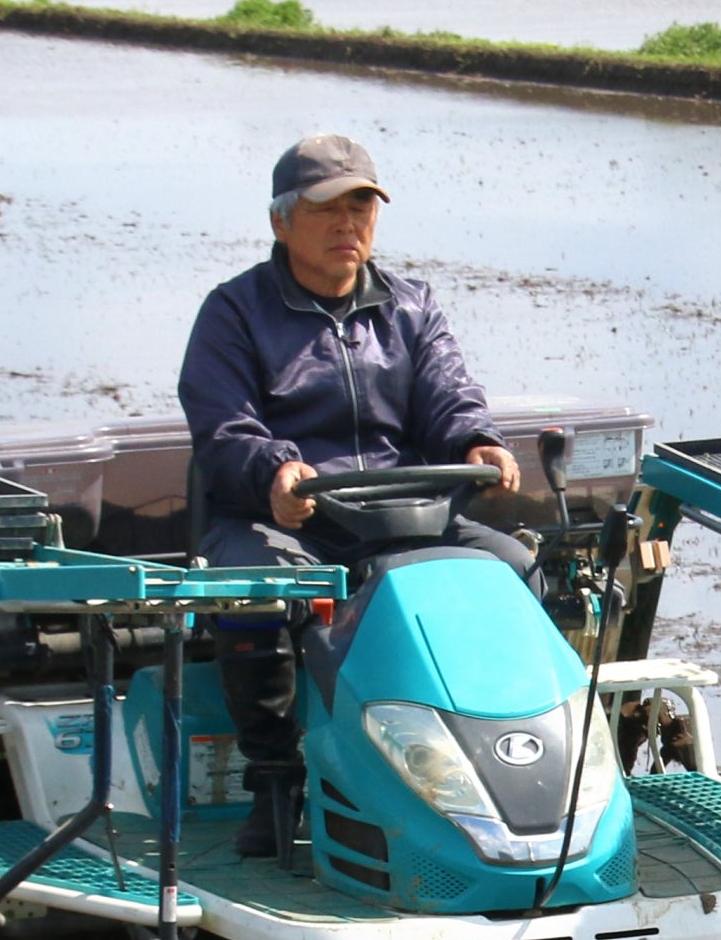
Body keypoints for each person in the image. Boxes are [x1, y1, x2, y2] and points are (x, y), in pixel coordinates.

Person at [179, 134, 530, 857]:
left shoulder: (412, 308)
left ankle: (502, 767)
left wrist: (476, 443)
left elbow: (450, 398)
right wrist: (275, 471)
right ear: (282, 222)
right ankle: (275, 779)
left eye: (361, 206)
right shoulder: (233, 314)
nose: (348, 225)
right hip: (286, 518)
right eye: (327, 209)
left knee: (511, 566)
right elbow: (224, 430)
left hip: (404, 515)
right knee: (253, 591)